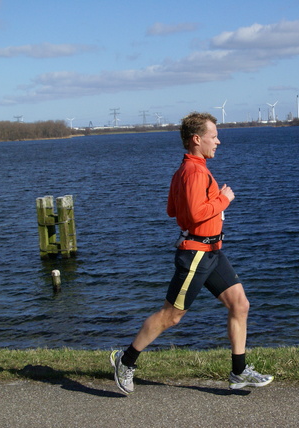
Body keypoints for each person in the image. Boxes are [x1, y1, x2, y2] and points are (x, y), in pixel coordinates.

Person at [110, 112, 273, 393]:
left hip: (212, 252)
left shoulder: (186, 169)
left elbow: (173, 210)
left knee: (240, 305)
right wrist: (223, 199)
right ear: (197, 140)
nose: (218, 142)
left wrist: (209, 200)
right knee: (171, 317)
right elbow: (196, 213)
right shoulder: (195, 171)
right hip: (196, 254)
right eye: (214, 136)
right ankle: (126, 361)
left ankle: (238, 371)